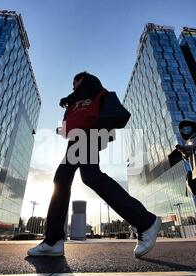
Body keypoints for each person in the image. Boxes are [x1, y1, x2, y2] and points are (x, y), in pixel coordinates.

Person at [28, 72, 161, 258]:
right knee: (73, 177)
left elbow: (87, 90)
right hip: (80, 136)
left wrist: (67, 99)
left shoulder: (90, 82)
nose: (74, 89)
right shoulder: (80, 97)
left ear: (82, 80)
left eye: (75, 85)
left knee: (80, 176)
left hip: (89, 134)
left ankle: (145, 221)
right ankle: (54, 240)